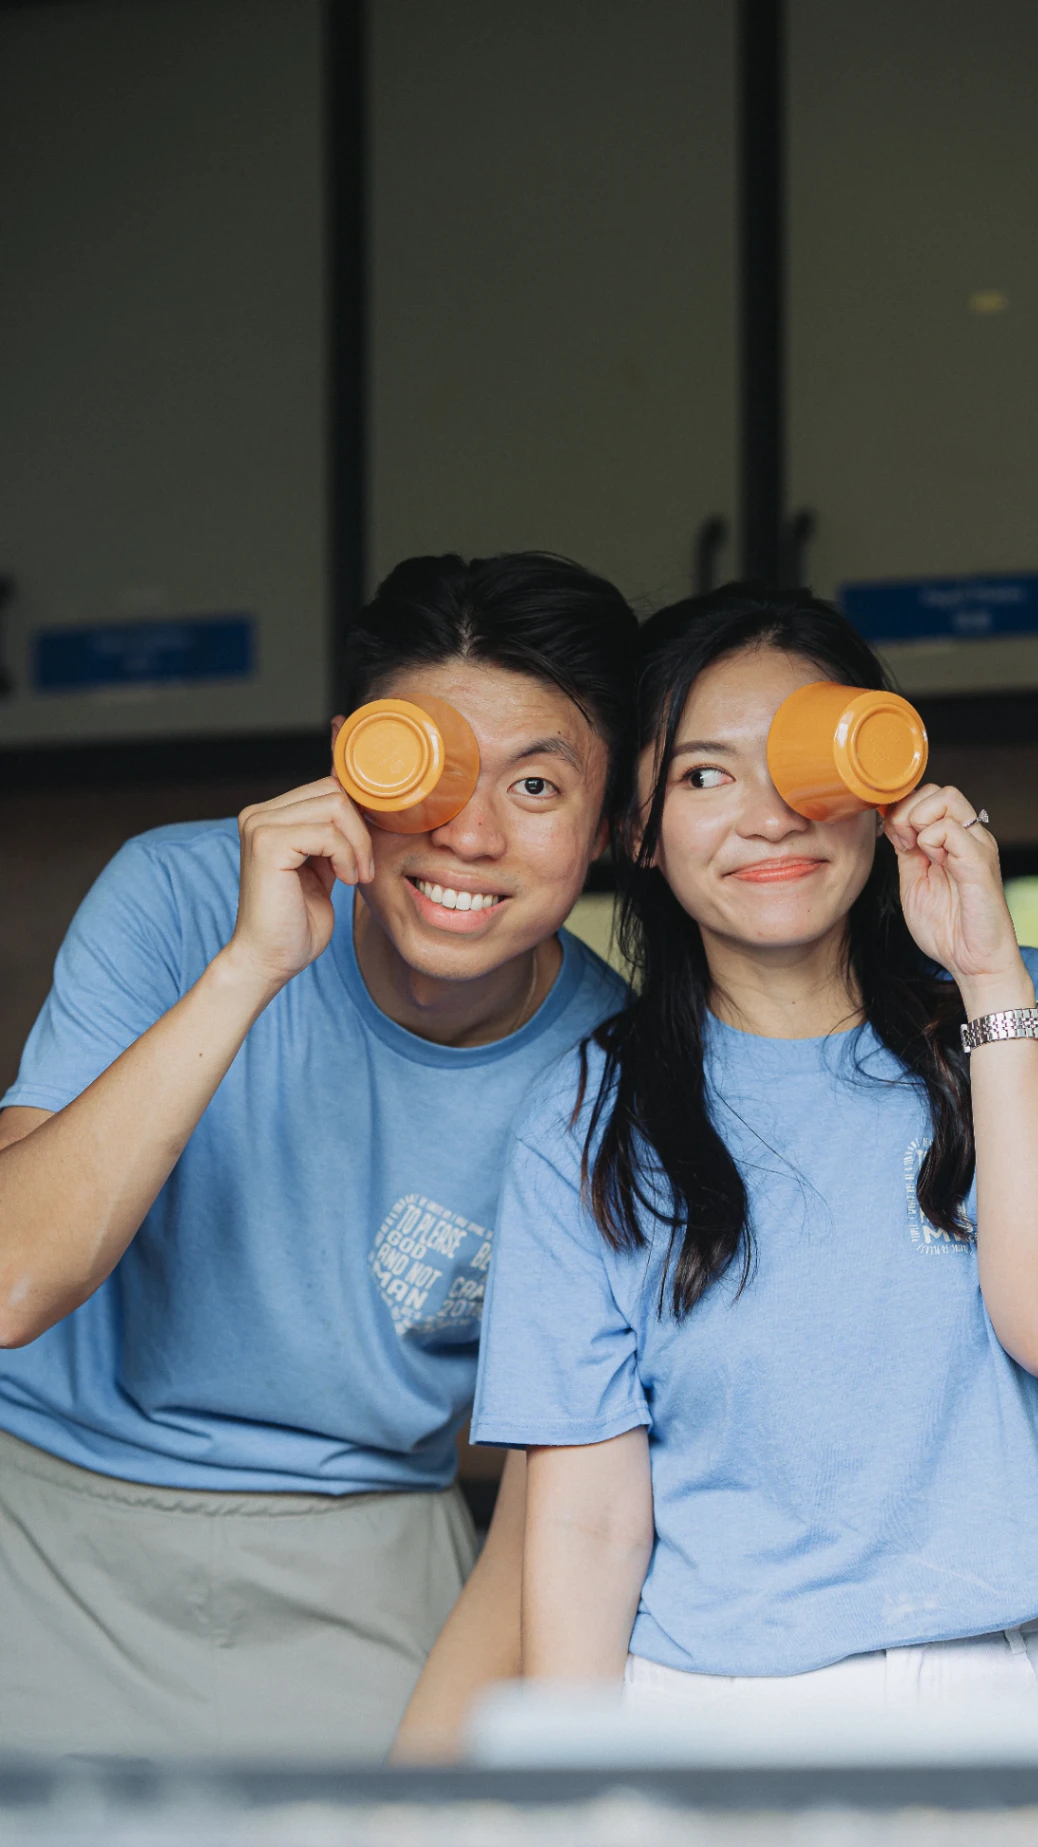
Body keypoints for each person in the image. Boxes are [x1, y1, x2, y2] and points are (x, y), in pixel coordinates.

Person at [471, 584, 1038, 1708]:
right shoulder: (588, 1115)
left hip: (1015, 1700)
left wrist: (988, 972)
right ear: (637, 830)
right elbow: (588, 1520)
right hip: (712, 1713)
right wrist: (579, 1795)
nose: (770, 815)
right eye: (705, 773)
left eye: (806, 761)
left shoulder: (1037, 1010)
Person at [0, 552, 634, 1758]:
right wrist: (248, 968)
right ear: (354, 757)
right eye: (431, 766)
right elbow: (12, 1282)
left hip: (365, 1554)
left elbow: (572, 1475)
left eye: (540, 785)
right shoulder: (178, 894)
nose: (471, 832)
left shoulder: (615, 1067)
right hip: (42, 1525)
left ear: (609, 824)